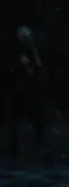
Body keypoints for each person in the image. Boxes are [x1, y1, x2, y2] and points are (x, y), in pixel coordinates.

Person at [8, 26, 47, 159]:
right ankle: (18, 144)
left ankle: (31, 140)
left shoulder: (29, 49)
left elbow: (36, 67)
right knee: (24, 117)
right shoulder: (25, 49)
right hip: (24, 88)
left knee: (29, 116)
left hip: (27, 88)